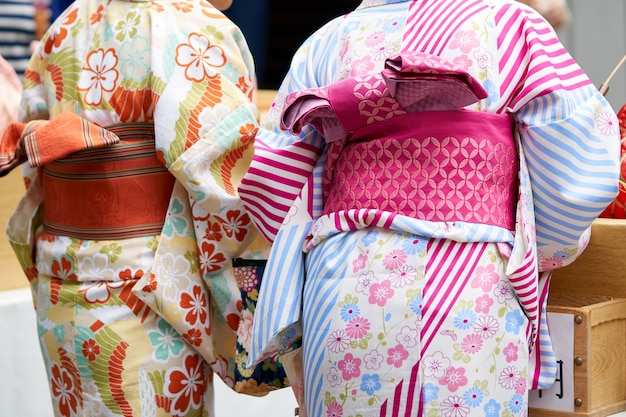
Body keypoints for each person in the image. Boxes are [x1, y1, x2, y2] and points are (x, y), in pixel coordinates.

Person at [237, 1, 621, 416]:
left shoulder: (330, 39)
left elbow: (273, 183)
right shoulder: (514, 26)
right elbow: (577, 175)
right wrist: (541, 248)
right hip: (474, 276)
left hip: (343, 279)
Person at [0, 0, 266, 415]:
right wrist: (250, 305)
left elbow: (37, 178)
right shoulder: (194, 27)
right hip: (154, 290)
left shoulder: (63, 28)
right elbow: (226, 192)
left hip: (63, 282)